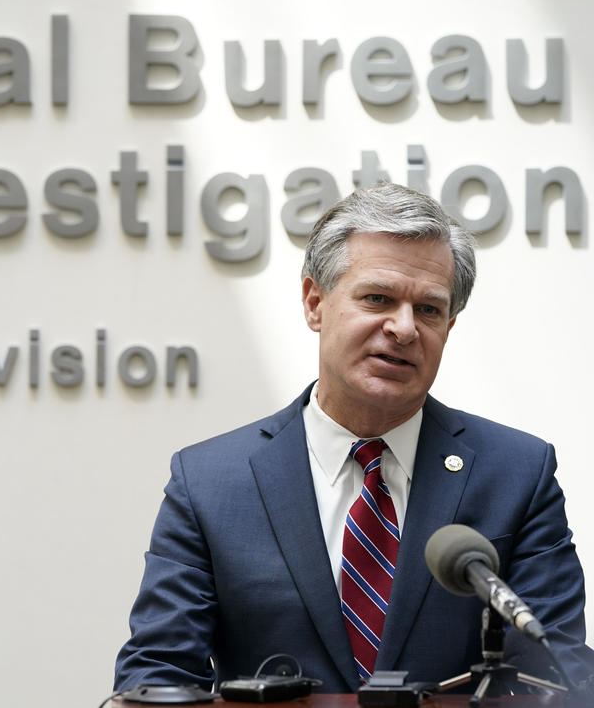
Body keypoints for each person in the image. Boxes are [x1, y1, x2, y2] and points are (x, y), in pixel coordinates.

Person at [113, 183, 594, 694]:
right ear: (315, 302)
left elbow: (556, 674)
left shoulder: (517, 473)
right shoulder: (210, 482)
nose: (404, 328)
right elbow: (157, 675)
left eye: (429, 310)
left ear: (450, 326)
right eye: (378, 298)